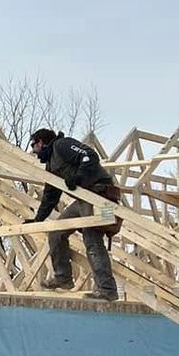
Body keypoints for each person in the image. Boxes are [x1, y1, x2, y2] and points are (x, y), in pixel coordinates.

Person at [27, 126, 120, 301]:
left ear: (41, 142)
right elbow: (50, 196)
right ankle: (63, 278)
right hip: (83, 200)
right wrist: (37, 219)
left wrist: (78, 176)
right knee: (56, 232)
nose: (33, 151)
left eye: (34, 145)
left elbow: (89, 155)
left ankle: (107, 289)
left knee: (92, 240)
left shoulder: (61, 145)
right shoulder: (51, 165)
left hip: (99, 195)